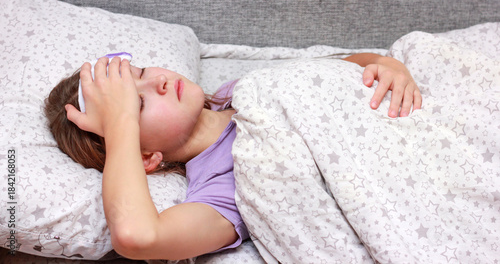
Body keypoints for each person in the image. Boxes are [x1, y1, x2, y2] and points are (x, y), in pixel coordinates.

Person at [44, 53, 422, 260]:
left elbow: (349, 63)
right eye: (138, 102)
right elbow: (137, 236)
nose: (157, 80)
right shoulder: (224, 183)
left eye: (140, 71)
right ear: (144, 155)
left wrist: (392, 69)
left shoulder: (238, 92)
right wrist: (119, 119)